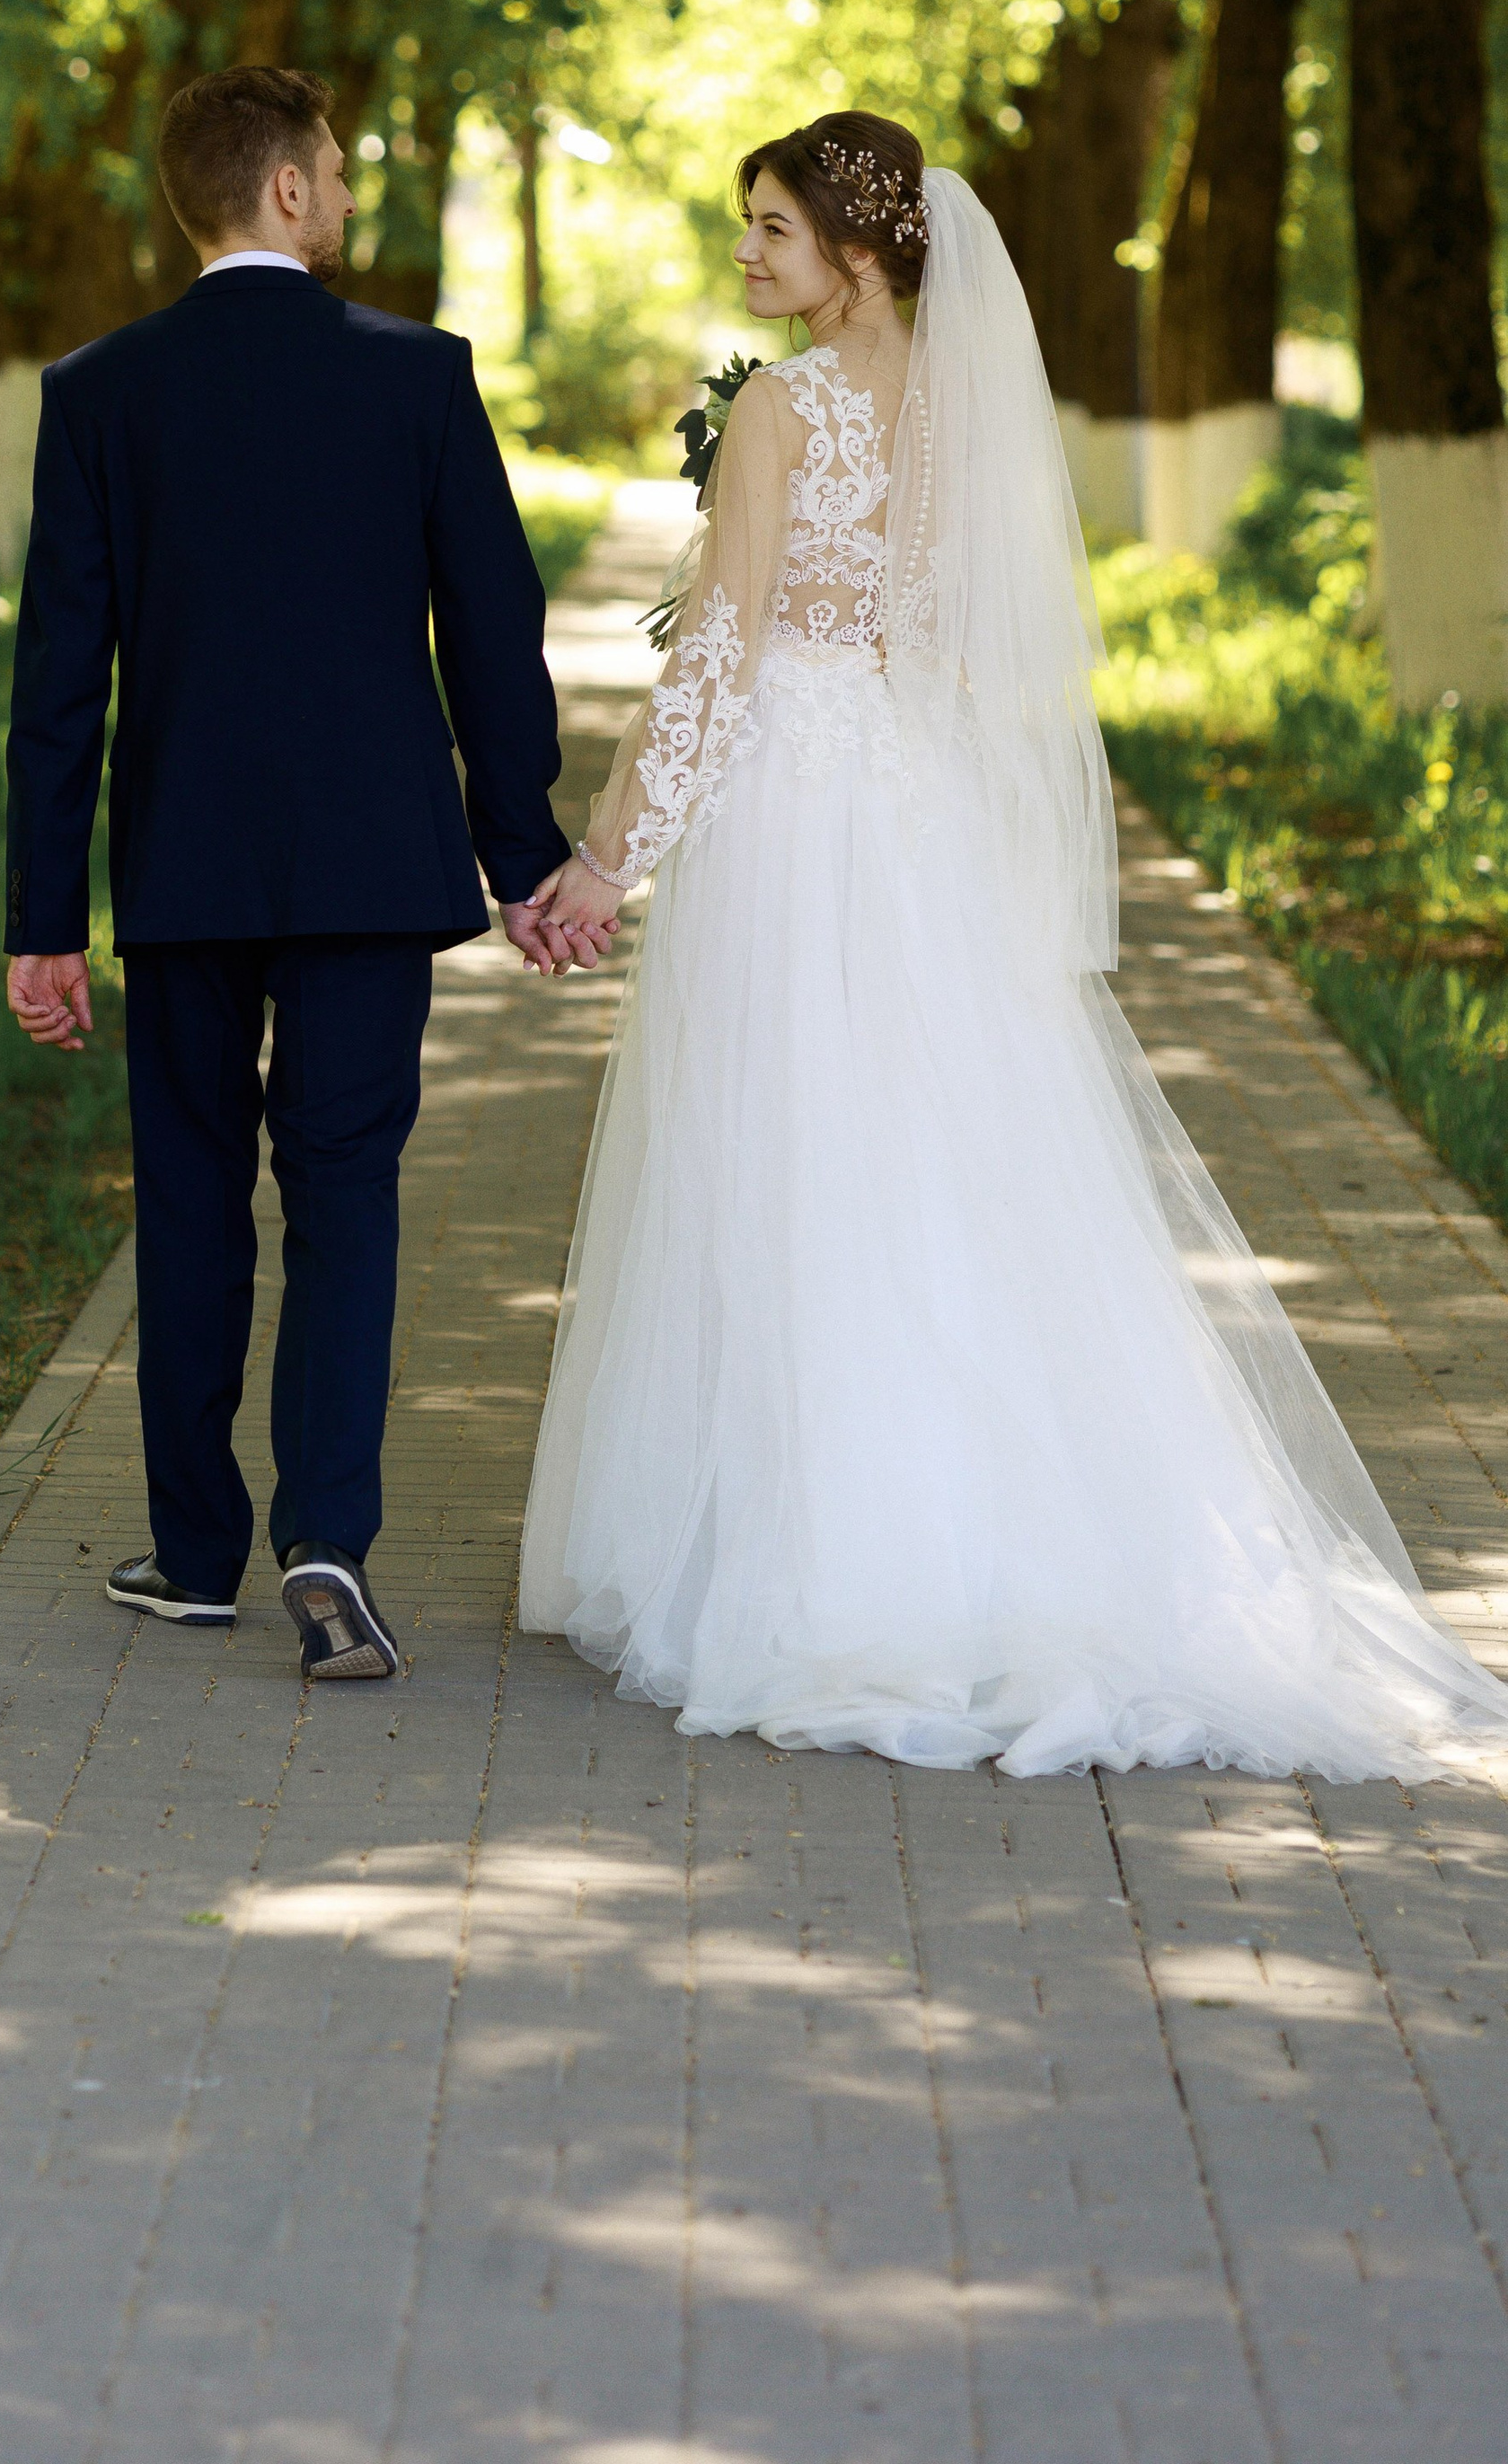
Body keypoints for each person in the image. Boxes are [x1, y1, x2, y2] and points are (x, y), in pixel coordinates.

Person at [516, 112, 1508, 1779]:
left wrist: (609, 859)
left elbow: (725, 664)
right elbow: (969, 656)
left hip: (799, 827)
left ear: (858, 247)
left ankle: (819, 1560)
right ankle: (988, 1545)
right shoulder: (978, 409)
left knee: (792, 1168)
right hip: (921, 823)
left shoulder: (779, 406)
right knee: (941, 1169)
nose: (748, 257)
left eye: (770, 229)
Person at [4, 64, 586, 1684]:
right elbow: (494, 630)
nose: (343, 192)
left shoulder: (100, 390)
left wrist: (44, 922)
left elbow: (61, 681)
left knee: (189, 1196)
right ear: (280, 192)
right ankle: (325, 1536)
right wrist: (521, 848)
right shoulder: (417, 377)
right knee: (343, 1194)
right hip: (362, 873)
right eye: (330, 171)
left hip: (181, 871)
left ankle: (194, 1552)